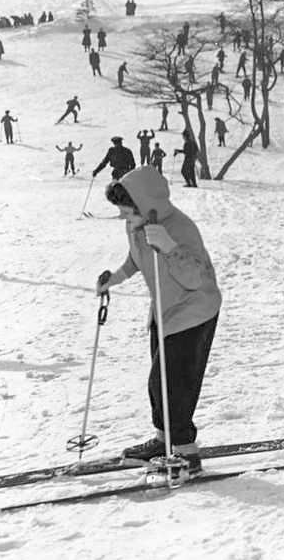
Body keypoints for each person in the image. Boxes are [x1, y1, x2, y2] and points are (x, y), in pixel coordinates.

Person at [95, 167, 222, 477]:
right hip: (164, 312)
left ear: (146, 205)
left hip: (194, 311)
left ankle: (186, 453)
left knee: (173, 385)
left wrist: (168, 246)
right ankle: (163, 441)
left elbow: (195, 278)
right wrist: (115, 278)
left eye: (128, 213)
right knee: (157, 386)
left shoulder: (180, 229)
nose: (125, 220)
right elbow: (136, 257)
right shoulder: (139, 225)